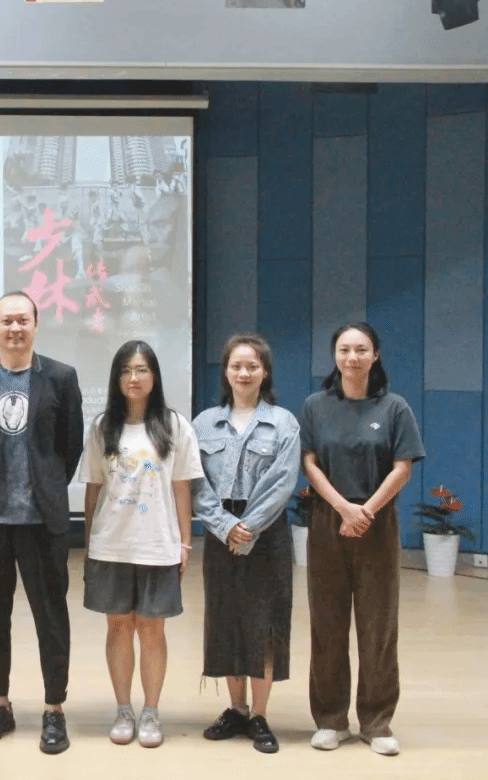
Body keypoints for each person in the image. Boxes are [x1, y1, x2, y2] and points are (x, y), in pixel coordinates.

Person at [0, 291, 84, 755]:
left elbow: (70, 447)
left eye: (23, 320)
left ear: (36, 324)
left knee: (51, 618)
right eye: (7, 321)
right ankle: (0, 704)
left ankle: (54, 709)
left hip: (42, 522)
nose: (15, 328)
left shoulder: (61, 377)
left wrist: (44, 488)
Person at [300, 322, 424, 757]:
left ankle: (376, 721)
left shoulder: (394, 407)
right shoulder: (316, 406)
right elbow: (309, 463)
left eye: (361, 349)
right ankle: (330, 719)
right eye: (344, 349)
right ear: (334, 355)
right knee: (327, 624)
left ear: (375, 355)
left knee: (378, 626)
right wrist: (342, 508)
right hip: (327, 524)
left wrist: (365, 511)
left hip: (377, 526)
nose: (352, 357)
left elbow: (403, 467)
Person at [80, 340, 202, 748]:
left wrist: (185, 543)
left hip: (157, 543)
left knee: (151, 628)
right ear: (116, 378)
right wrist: (89, 544)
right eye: (126, 371)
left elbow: (182, 487)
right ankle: (123, 709)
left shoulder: (174, 425)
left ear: (154, 376)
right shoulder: (102, 427)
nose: (134, 378)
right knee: (118, 626)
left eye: (141, 369)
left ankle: (150, 710)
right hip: (111, 544)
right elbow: (93, 489)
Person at [192, 334, 300, 754]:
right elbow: (195, 482)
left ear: (264, 372)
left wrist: (248, 528)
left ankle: (259, 714)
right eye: (236, 365)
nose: (244, 373)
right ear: (225, 372)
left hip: (266, 534)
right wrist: (225, 526)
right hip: (221, 533)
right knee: (226, 618)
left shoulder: (283, 423)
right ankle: (236, 709)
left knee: (265, 624)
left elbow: (282, 482)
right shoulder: (204, 423)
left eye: (252, 366)